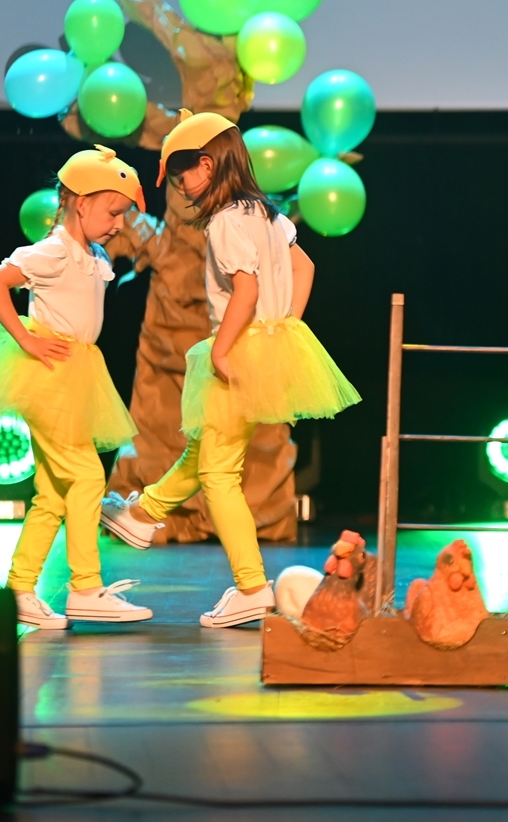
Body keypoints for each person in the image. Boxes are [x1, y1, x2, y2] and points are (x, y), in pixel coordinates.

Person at [101, 111, 360, 627]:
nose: (180, 188)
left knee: (219, 473)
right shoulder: (267, 214)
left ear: (207, 164)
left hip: (239, 346)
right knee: (207, 447)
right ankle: (144, 514)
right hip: (267, 343)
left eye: (182, 176)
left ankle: (251, 587)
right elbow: (305, 266)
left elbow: (246, 288)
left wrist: (224, 349)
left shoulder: (224, 221)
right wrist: (283, 325)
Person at [0, 146, 154, 629]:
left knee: (53, 494)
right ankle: (86, 588)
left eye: (122, 214)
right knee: (86, 477)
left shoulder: (92, 254)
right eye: (112, 212)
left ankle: (20, 589)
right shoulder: (54, 250)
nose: (118, 224)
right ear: (80, 203)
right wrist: (26, 339)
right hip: (51, 376)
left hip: (76, 374)